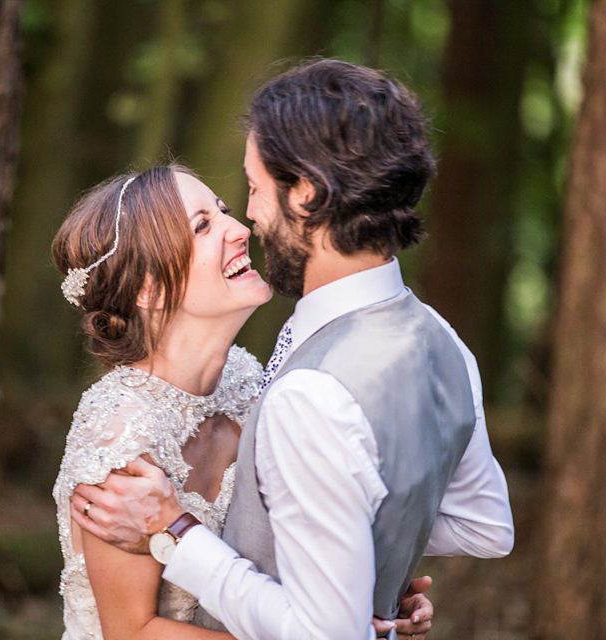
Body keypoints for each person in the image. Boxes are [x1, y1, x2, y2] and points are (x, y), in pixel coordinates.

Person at [70, 59, 514, 640]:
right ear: (149, 290)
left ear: (305, 194)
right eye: (205, 224)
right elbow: (483, 526)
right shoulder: (439, 337)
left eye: (247, 194)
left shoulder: (288, 389)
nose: (246, 221)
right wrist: (351, 586)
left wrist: (179, 533)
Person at [51, 164, 436, 640]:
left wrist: (366, 598)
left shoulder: (246, 382)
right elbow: (132, 633)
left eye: (224, 211)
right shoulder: (121, 436)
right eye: (203, 226)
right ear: (148, 289)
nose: (240, 229)